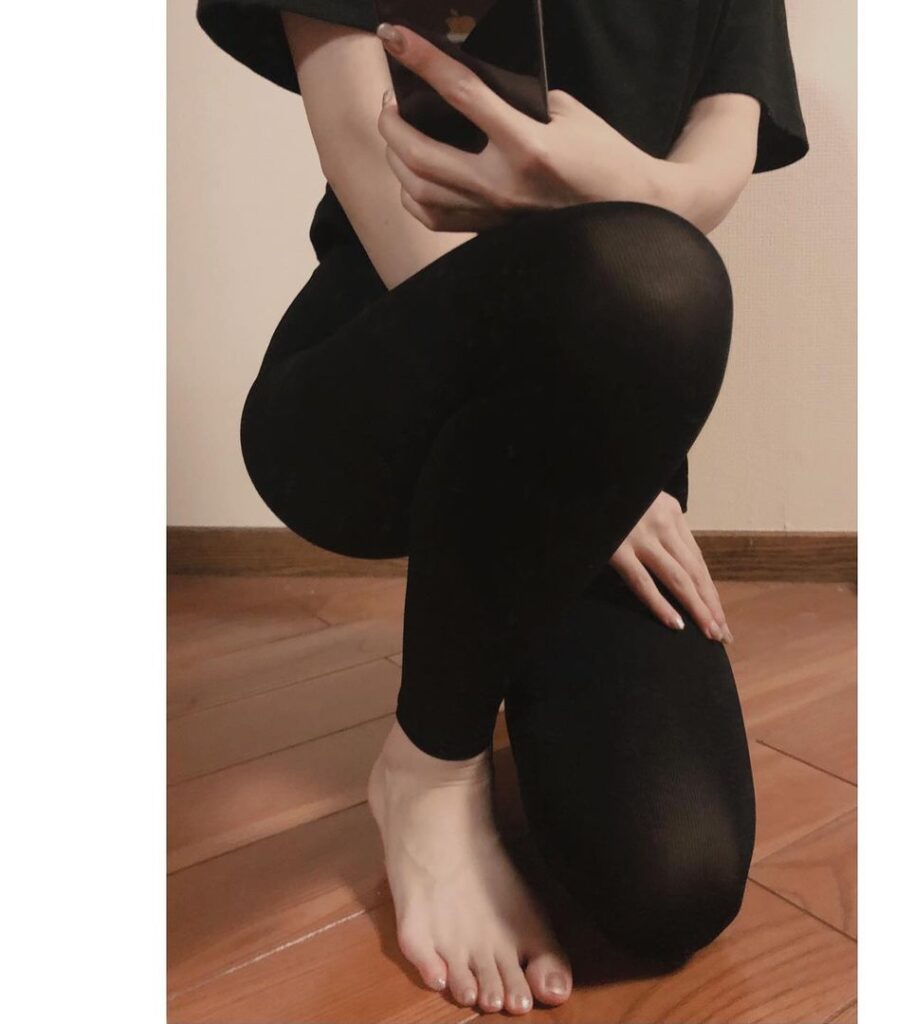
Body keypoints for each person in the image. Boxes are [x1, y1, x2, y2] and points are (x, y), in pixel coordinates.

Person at [195, 0, 808, 1014]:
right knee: (658, 280)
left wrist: (620, 192)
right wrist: (581, 430)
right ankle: (428, 769)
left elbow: (715, 159)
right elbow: (361, 138)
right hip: (385, 356)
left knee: (674, 876)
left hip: (618, 374)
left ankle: (499, 617)